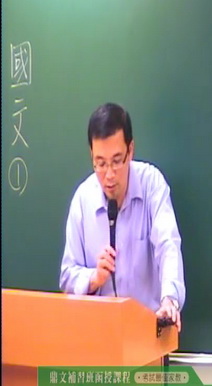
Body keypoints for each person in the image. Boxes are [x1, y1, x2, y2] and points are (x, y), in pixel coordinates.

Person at [60, 103, 185, 331]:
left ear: (131, 150)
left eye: (117, 161)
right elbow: (67, 276)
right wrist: (94, 278)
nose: (109, 175)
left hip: (149, 332)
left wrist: (170, 299)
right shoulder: (83, 199)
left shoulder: (152, 184)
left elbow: (168, 245)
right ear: (91, 156)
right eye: (100, 163)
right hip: (97, 335)